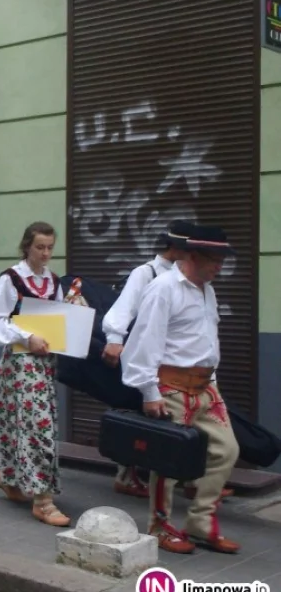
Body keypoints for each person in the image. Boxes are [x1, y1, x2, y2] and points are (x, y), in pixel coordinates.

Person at [122, 224, 240, 555]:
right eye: (214, 258)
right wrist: (149, 392)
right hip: (170, 387)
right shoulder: (163, 289)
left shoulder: (207, 289)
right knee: (168, 462)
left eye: (222, 259)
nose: (220, 265)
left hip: (204, 387)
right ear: (192, 255)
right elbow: (145, 341)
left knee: (226, 450)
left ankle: (200, 522)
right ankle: (159, 526)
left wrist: (212, 383)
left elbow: (207, 340)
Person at [0, 221, 69, 527]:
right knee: (36, 426)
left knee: (25, 423)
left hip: (44, 363)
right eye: (39, 247)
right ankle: (43, 500)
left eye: (49, 248)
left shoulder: (54, 282)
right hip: (19, 363)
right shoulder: (12, 279)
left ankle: (6, 473)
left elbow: (56, 319)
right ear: (27, 246)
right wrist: (25, 335)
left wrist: (71, 313)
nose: (45, 254)